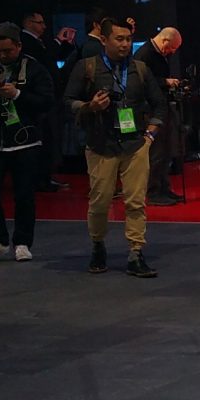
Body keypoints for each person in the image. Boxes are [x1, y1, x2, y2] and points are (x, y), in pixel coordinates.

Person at [65, 18, 166, 278]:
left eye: (128, 39)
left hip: (135, 145)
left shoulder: (140, 69)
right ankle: (98, 245)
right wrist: (90, 107)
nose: (125, 44)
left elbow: (159, 104)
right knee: (100, 201)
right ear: (104, 40)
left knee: (136, 201)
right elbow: (68, 102)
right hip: (101, 145)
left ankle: (136, 252)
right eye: (119, 39)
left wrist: (150, 135)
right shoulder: (87, 67)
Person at [0, 25, 56, 264]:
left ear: (18, 46)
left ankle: (23, 242)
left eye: (7, 50)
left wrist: (17, 95)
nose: (2, 55)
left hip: (26, 141)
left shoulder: (35, 69)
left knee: (24, 194)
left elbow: (47, 101)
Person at [18, 10, 69, 192]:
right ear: (28, 23)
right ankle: (40, 179)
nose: (44, 26)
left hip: (46, 97)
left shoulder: (37, 42)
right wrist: (57, 41)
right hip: (37, 99)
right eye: (40, 22)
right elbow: (46, 59)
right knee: (43, 138)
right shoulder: (26, 42)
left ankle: (44, 176)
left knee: (48, 137)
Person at [134, 27, 186, 205]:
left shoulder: (159, 53)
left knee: (165, 150)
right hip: (150, 110)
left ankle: (164, 188)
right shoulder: (144, 54)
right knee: (155, 152)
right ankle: (153, 192)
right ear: (165, 41)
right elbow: (140, 81)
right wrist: (165, 81)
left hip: (161, 107)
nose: (172, 52)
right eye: (172, 48)